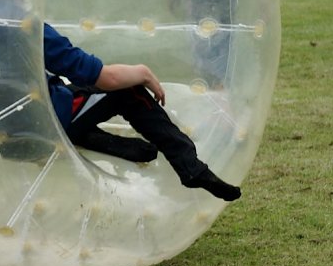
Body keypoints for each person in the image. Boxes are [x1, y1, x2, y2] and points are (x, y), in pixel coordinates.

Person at [44, 23, 242, 201]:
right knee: (127, 90)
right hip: (49, 122)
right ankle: (191, 167)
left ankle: (100, 140)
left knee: (75, 94)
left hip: (25, 131)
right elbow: (103, 77)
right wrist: (143, 73)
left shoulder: (23, 27)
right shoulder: (32, 30)